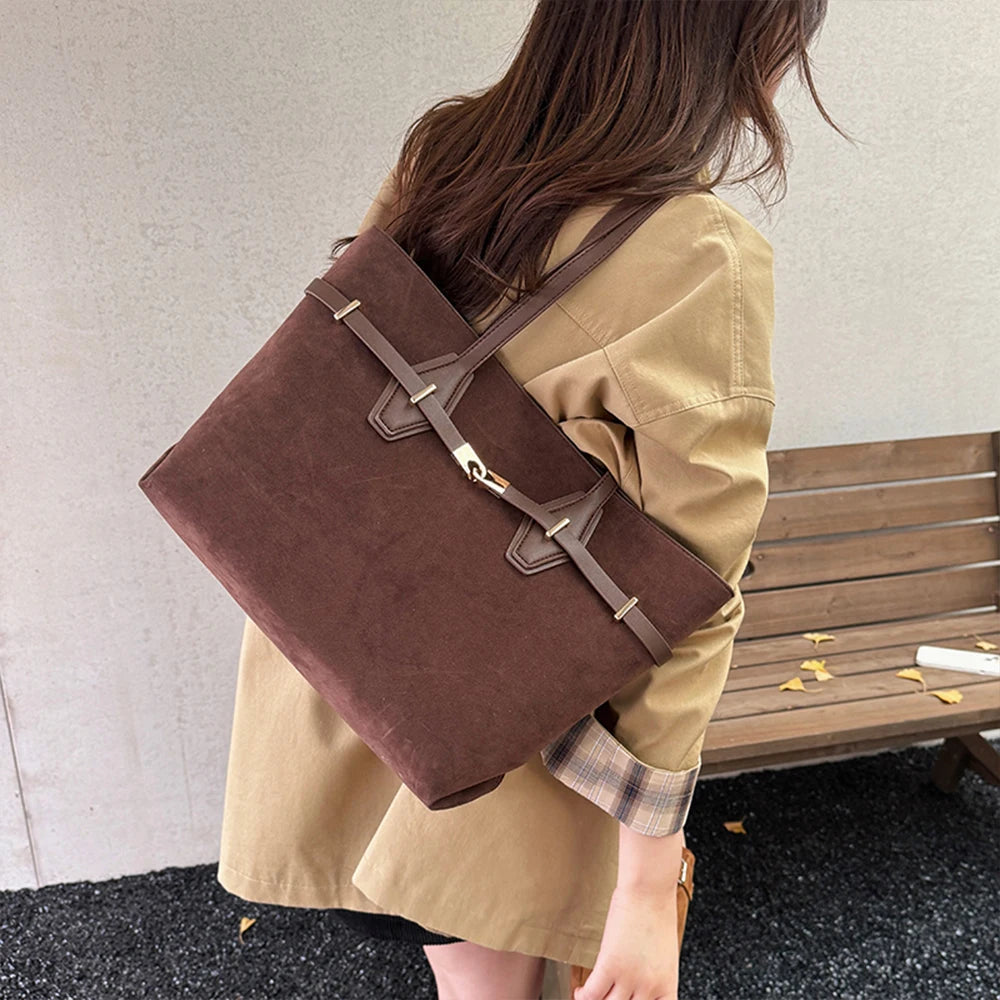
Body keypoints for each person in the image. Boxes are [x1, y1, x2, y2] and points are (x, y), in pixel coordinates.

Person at [216, 2, 848, 998]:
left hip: (342, 668)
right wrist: (645, 881)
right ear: (738, 43)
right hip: (504, 728)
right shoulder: (699, 253)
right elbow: (691, 590)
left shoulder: (448, 152)